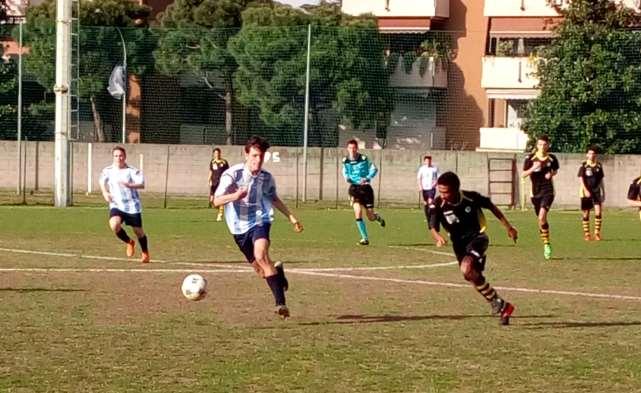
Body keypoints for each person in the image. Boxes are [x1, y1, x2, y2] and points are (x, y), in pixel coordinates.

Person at [213, 136, 303, 319]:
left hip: (260, 220)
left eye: (261, 156)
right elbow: (216, 200)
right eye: (254, 156)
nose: (257, 160)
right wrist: (235, 196)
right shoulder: (232, 175)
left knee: (261, 255)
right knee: (261, 270)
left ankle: (280, 304)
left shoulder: (266, 178)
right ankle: (278, 274)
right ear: (246, 154)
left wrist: (291, 217)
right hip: (238, 229)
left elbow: (274, 199)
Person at [429, 171, 518, 326]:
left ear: (456, 189)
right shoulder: (438, 204)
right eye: (440, 191)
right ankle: (502, 305)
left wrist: (509, 227)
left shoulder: (471, 198)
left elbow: (491, 207)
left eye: (446, 192)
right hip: (459, 245)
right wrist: (438, 237)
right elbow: (432, 226)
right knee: (470, 275)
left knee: (467, 267)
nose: (442, 195)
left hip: (477, 238)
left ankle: (479, 262)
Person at [100, 146, 150, 263]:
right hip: (116, 205)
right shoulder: (107, 170)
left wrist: (130, 185)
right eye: (116, 156)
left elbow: (142, 184)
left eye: (121, 155)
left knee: (139, 232)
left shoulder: (132, 171)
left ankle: (145, 252)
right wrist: (105, 192)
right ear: (113, 157)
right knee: (114, 225)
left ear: (125, 156)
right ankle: (129, 242)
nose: (119, 158)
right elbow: (102, 181)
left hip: (132, 206)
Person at [521, 135, 559, 260]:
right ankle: (544, 235)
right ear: (537, 145)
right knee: (540, 220)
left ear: (548, 145)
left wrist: (551, 174)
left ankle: (547, 245)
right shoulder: (530, 158)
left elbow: (555, 170)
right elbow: (523, 175)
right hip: (535, 194)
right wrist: (533, 168)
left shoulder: (552, 158)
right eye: (540, 144)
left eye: (544, 144)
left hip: (548, 191)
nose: (542, 147)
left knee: (542, 216)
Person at [342, 139, 386, 245]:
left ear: (357, 148)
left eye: (354, 148)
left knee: (370, 216)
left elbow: (374, 169)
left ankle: (377, 217)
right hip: (354, 189)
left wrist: (367, 178)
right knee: (358, 212)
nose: (352, 150)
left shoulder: (364, 159)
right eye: (350, 148)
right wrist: (347, 177)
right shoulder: (345, 161)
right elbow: (345, 171)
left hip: (366, 189)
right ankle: (364, 238)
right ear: (347, 149)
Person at [577, 146, 605, 241]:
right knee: (586, 213)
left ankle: (597, 233)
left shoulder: (599, 165)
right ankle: (587, 234)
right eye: (589, 153)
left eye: (593, 154)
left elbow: (601, 180)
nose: (591, 155)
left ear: (595, 155)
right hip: (586, 192)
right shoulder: (584, 165)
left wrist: (603, 192)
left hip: (596, 191)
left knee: (598, 212)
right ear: (587, 155)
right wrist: (585, 190)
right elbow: (581, 178)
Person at [417, 155, 438, 228]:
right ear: (424, 161)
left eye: (429, 161)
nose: (428, 162)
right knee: (426, 204)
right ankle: (429, 220)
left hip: (431, 189)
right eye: (426, 161)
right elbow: (419, 178)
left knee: (430, 202)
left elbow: (438, 177)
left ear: (431, 161)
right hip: (424, 189)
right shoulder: (422, 169)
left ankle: (433, 223)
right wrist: (420, 186)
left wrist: (435, 183)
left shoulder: (434, 168)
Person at [208, 147, 229, 221]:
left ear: (220, 153)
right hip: (214, 182)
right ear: (214, 154)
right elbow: (210, 171)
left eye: (218, 153)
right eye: (215, 153)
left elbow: (228, 172)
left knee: (220, 198)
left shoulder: (224, 162)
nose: (217, 154)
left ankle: (220, 214)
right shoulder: (212, 162)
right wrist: (209, 180)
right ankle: (223, 208)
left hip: (221, 183)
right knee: (212, 200)